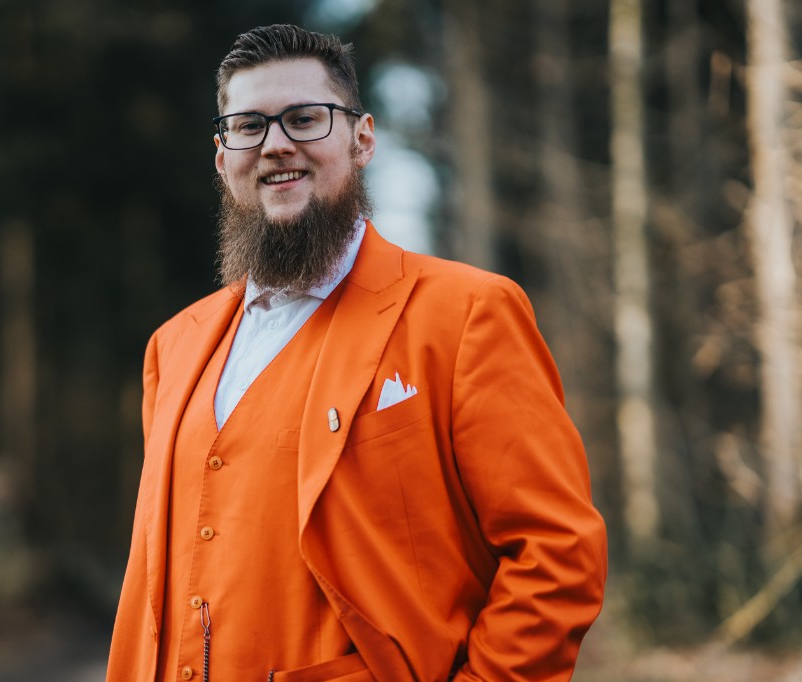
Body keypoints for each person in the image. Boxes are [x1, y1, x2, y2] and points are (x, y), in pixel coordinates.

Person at [106, 23, 607, 682]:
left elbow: (557, 554)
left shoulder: (466, 314)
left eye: (305, 119)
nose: (276, 144)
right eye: (249, 126)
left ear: (362, 138)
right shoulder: (173, 347)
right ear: (223, 156)